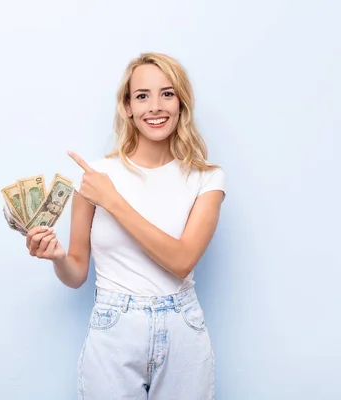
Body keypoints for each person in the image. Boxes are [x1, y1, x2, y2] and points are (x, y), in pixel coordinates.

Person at [25, 52, 226, 399]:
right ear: (127, 107)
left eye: (167, 93)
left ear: (181, 103)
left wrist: (114, 201)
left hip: (182, 328)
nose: (155, 106)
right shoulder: (96, 178)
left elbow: (181, 261)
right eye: (142, 96)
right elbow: (76, 275)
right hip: (114, 327)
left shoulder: (206, 178)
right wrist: (57, 257)